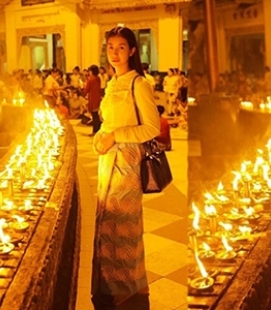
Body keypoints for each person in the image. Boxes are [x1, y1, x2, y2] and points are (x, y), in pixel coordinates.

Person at [91, 26, 160, 310]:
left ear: (133, 50)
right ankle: (109, 282)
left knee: (125, 228)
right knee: (107, 225)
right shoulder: (111, 84)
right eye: (110, 47)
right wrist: (100, 138)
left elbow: (152, 128)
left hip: (128, 166)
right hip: (108, 162)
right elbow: (108, 123)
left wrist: (116, 136)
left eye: (121, 47)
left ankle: (128, 288)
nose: (115, 53)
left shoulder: (138, 84)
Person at [85, 65, 102, 136]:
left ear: (91, 72)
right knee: (96, 116)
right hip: (98, 98)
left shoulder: (91, 80)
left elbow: (86, 90)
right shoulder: (98, 79)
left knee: (95, 117)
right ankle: (97, 130)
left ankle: (95, 131)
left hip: (93, 99)